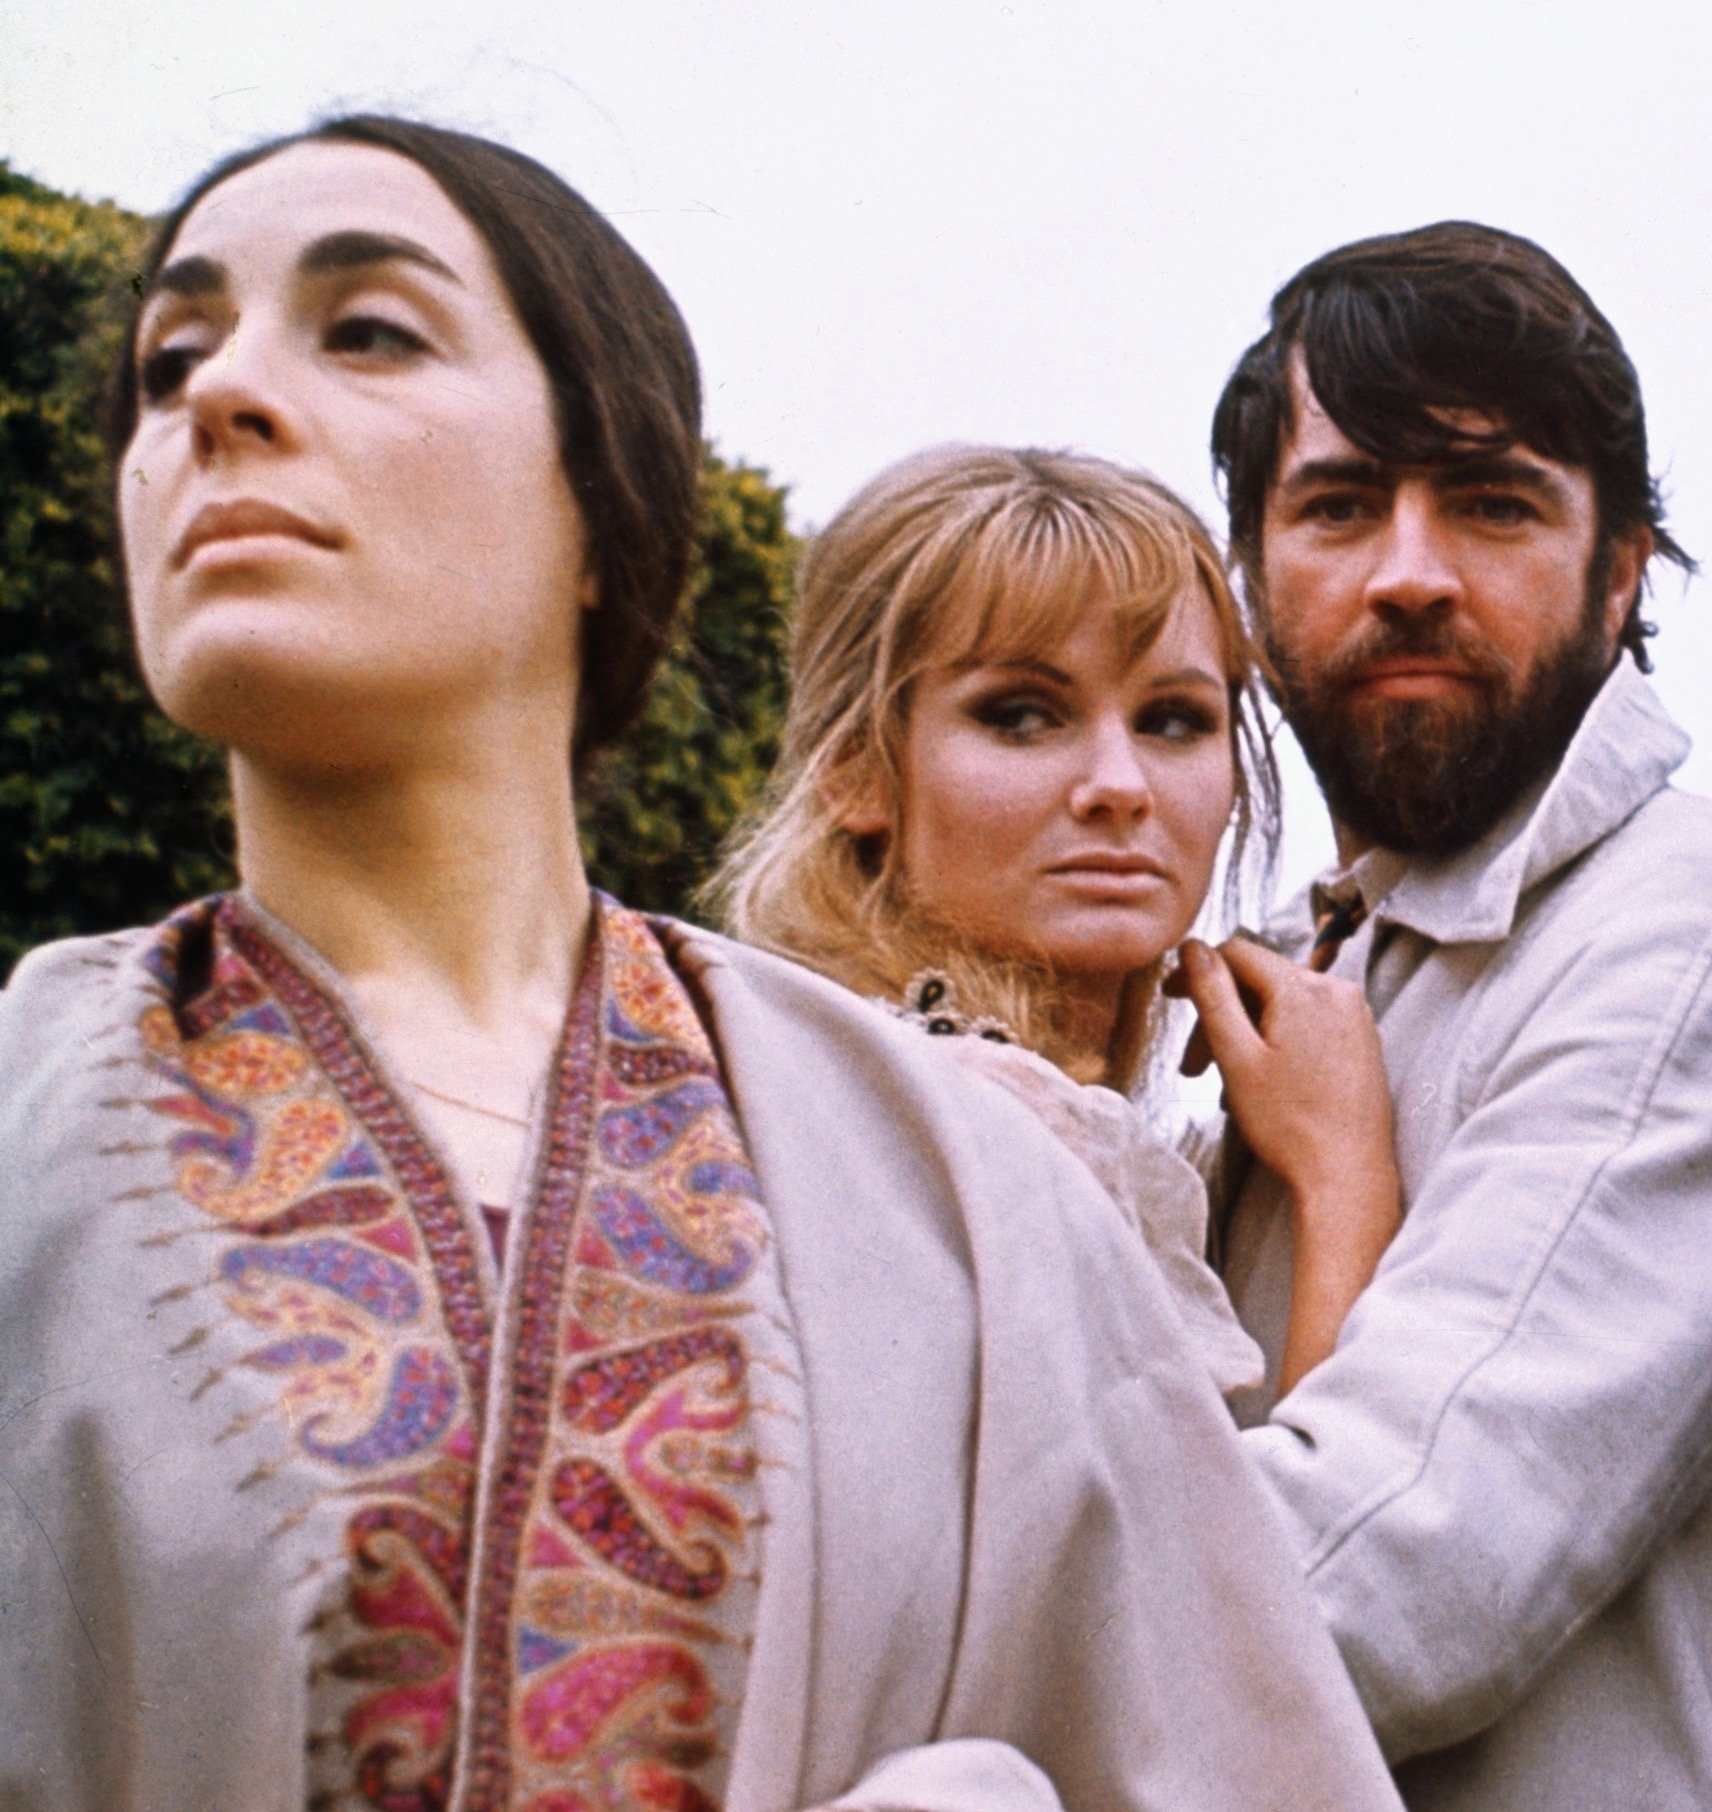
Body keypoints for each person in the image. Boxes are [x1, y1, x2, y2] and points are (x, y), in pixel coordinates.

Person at [0, 117, 1398, 1812]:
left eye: (367, 329)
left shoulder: (949, 1187)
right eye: (167, 360)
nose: (217, 394)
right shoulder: (32, 1119)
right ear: (861, 764)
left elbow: (1240, 1725)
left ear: (603, 497)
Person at [1181, 220, 1712, 1807]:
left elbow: (1386, 1577)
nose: (1408, 573)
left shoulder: (1697, 929)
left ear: (1620, 575)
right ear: (1248, 580)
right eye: (1338, 506)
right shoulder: (1288, 971)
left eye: (1491, 502)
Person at [713, 443, 1403, 1406]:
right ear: (855, 769)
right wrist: (1344, 1178)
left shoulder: (825, 1071)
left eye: (1172, 719)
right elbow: (1280, 1511)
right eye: (1022, 715)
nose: (1119, 785)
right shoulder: (985, 1120)